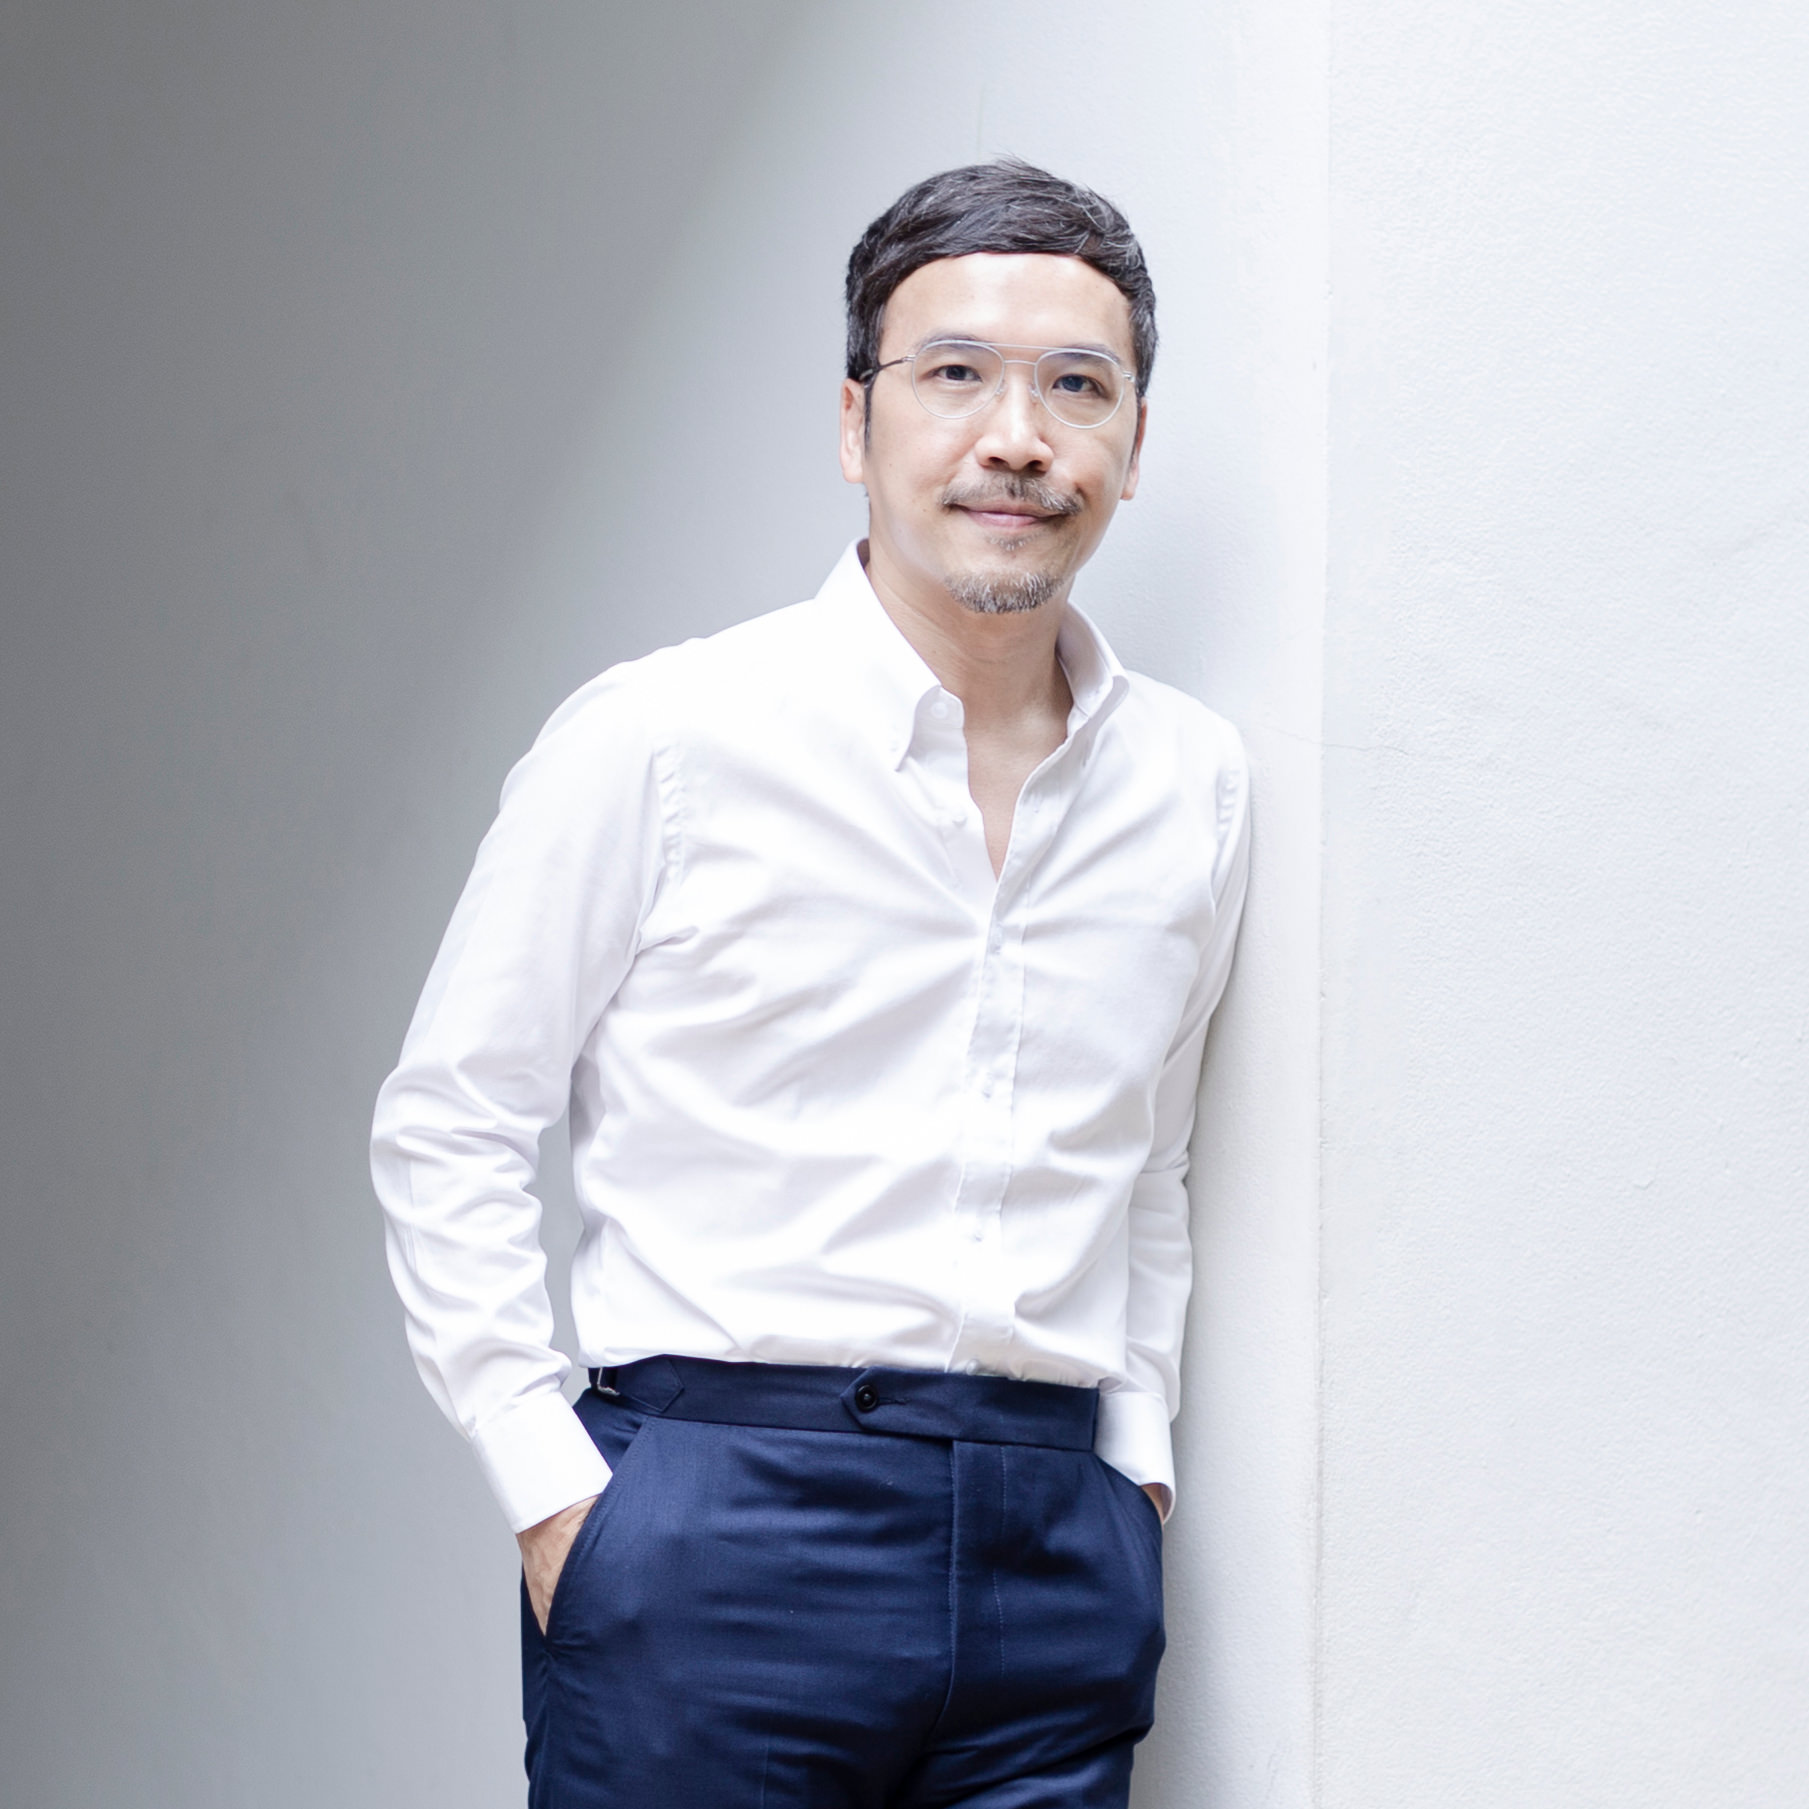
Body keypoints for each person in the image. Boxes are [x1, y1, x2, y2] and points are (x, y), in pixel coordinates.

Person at [371, 159, 1250, 1809]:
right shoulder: (665, 737)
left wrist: (1133, 1467)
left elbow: (1150, 1165)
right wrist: (553, 1491)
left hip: (1056, 1547)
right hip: (716, 1520)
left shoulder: (1191, 783)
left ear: (1133, 443)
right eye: (954, 373)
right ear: (856, 423)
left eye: (1078, 385)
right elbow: (454, 1119)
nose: (1016, 436)